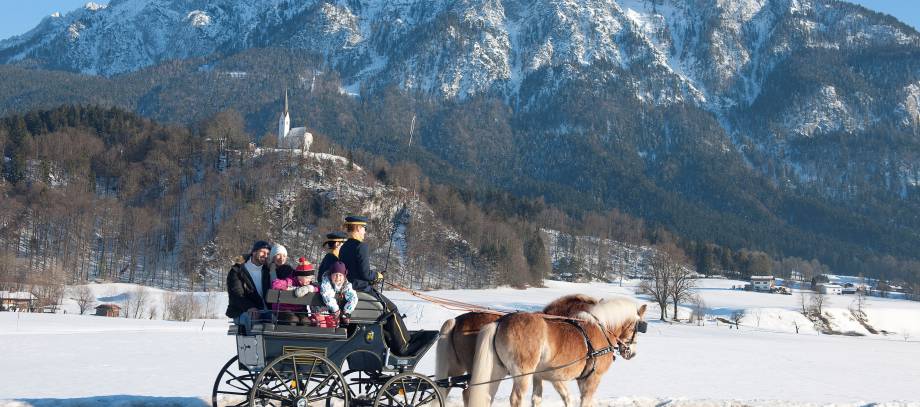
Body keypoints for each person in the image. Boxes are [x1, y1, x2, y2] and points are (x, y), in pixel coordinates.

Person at [338, 215, 411, 355]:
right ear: (358, 228)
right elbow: (365, 274)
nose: (365, 232)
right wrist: (378, 276)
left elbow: (353, 272)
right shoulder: (361, 246)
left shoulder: (344, 248)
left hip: (350, 289)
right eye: (364, 228)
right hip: (362, 290)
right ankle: (403, 345)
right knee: (391, 310)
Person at [225, 240, 272, 319]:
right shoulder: (237, 270)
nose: (265, 255)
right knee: (255, 323)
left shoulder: (268, 270)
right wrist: (250, 307)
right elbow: (237, 295)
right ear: (254, 252)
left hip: (266, 311)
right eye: (263, 252)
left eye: (268, 253)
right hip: (242, 311)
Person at [271, 257, 319, 325]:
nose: (309, 280)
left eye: (311, 278)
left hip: (299, 310)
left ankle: (304, 334)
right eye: (307, 277)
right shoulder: (290, 281)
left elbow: (319, 289)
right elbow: (275, 284)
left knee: (306, 321)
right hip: (284, 309)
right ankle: (288, 334)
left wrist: (310, 288)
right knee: (293, 320)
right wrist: (292, 288)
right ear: (299, 277)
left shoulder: (309, 284)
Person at [320, 261, 358, 326]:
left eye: (340, 275)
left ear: (344, 276)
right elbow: (327, 295)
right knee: (329, 321)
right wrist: (335, 309)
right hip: (326, 309)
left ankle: (343, 318)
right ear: (331, 275)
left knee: (353, 298)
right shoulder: (326, 283)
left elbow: (353, 297)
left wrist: (346, 311)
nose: (338, 277)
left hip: (340, 310)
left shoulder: (346, 284)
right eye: (335, 275)